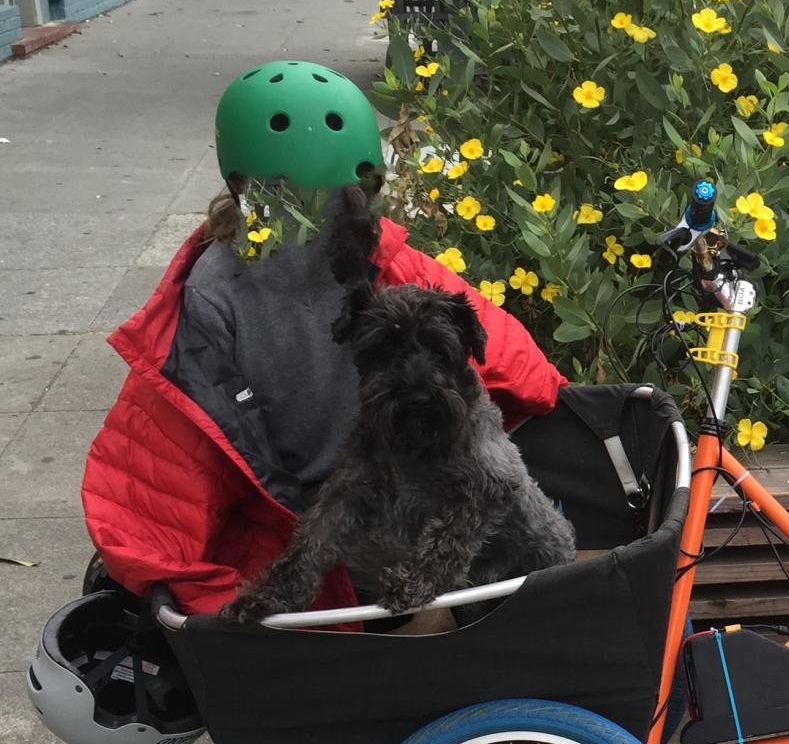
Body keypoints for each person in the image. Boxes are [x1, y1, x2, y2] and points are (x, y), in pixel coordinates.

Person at [82, 63, 564, 618]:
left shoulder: (230, 283)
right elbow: (496, 347)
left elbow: (174, 435)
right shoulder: (363, 256)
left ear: (238, 179)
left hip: (338, 499)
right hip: (339, 501)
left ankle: (423, 620)